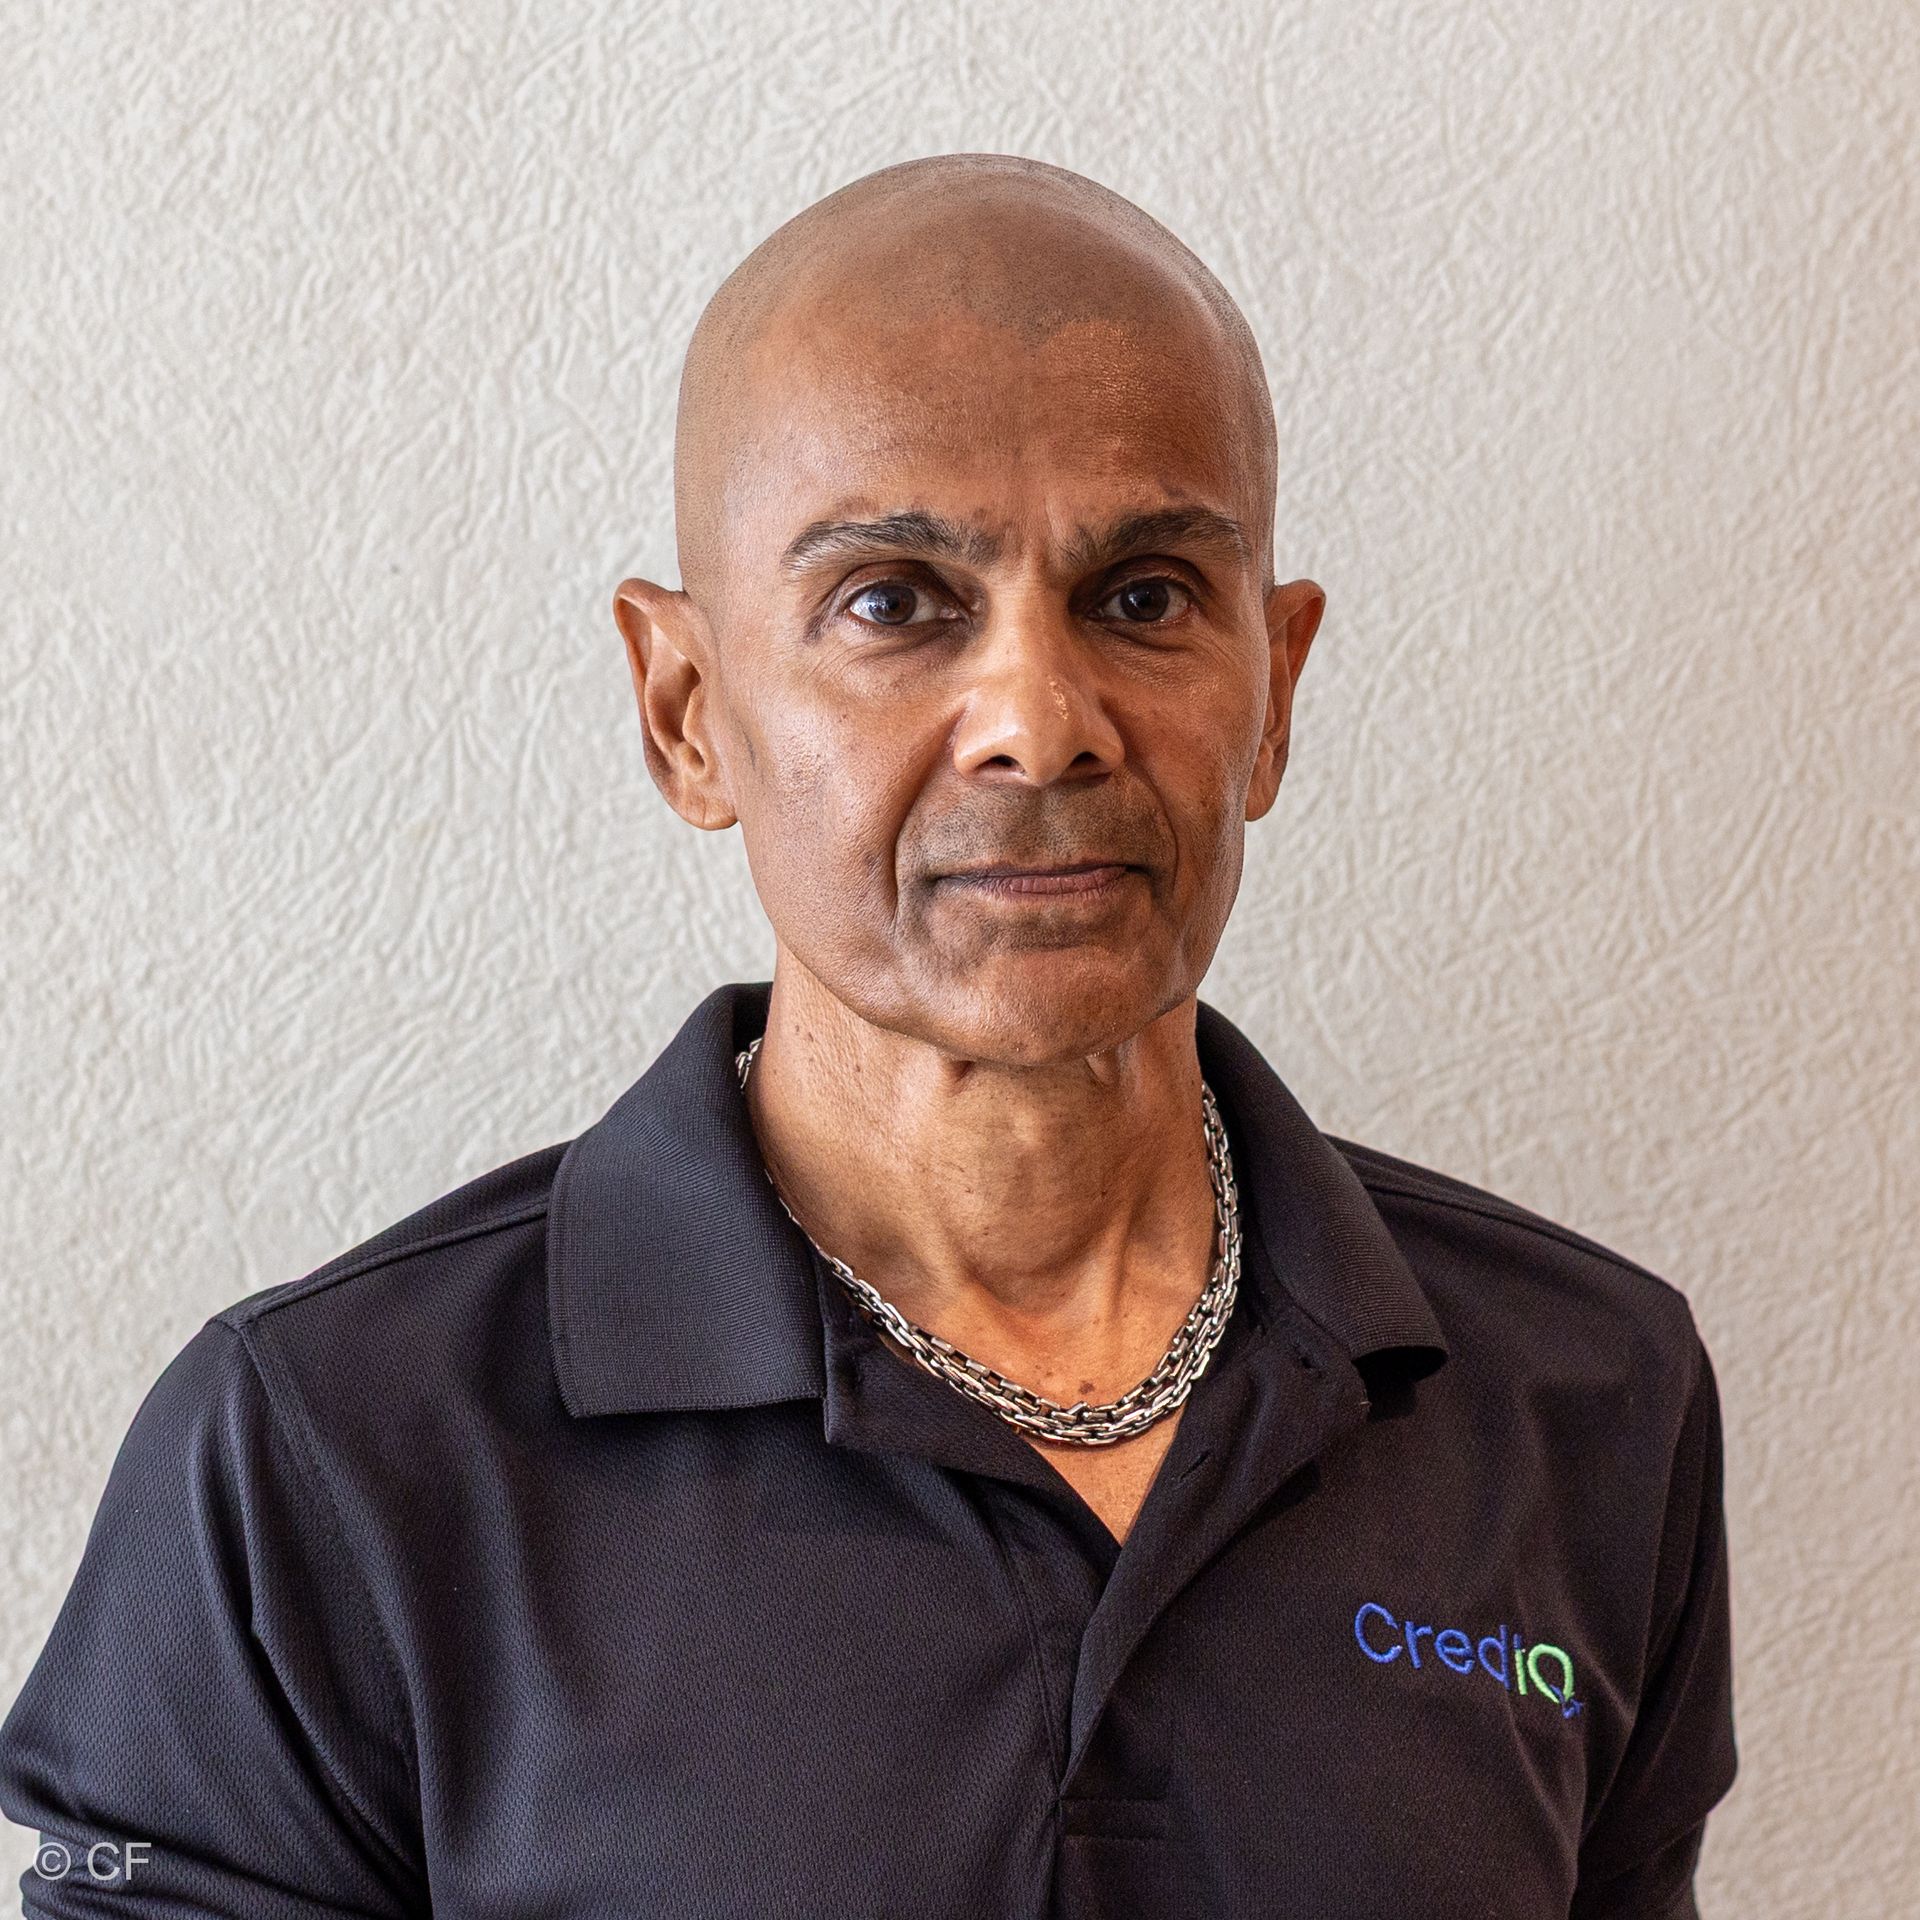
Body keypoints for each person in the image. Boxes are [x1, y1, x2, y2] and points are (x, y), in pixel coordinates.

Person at [0, 153, 1735, 1918]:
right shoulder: (332, 1451)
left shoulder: (1588, 1396)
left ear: (1274, 693)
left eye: (1142, 596)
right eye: (896, 602)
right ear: (687, 715)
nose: (1040, 726)